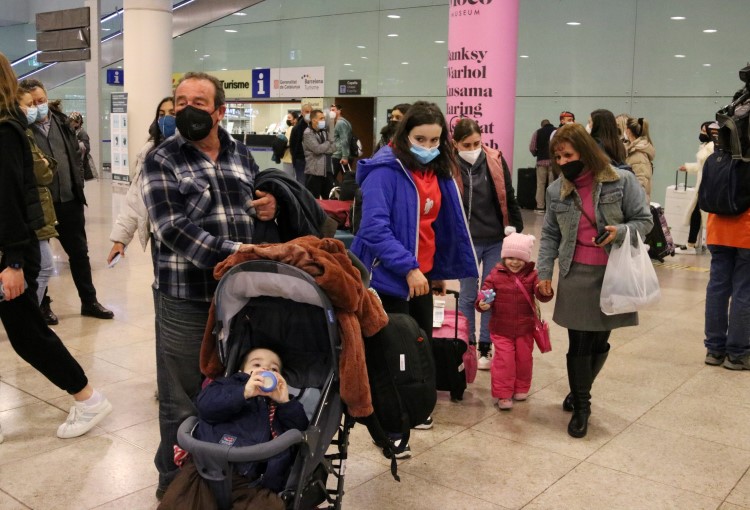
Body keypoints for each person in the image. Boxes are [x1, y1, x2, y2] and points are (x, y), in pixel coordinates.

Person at [141, 71, 278, 498]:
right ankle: (172, 482)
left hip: (237, 297)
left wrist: (270, 207)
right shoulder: (161, 159)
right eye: (180, 102)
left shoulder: (241, 155)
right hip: (185, 296)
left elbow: (255, 209)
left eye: (198, 102)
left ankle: (232, 471)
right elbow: (171, 229)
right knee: (180, 396)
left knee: (233, 384)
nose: (186, 110)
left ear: (219, 111)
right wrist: (237, 254)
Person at [351, 101, 478, 457]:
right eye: (420, 138)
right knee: (387, 360)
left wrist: (433, 272)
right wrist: (408, 266)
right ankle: (387, 429)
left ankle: (411, 408)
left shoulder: (437, 171)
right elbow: (373, 228)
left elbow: (436, 226)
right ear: (405, 135)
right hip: (388, 278)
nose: (427, 145)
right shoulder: (384, 171)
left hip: (420, 278)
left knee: (417, 350)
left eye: (435, 139)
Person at [0, 52, 112, 444]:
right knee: (25, 331)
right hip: (10, 249)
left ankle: (88, 398)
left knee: (27, 333)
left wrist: (13, 261)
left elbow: (11, 197)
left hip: (11, 252)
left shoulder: (6, 129)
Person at [537, 123, 652, 438]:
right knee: (579, 343)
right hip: (576, 274)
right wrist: (544, 274)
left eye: (568, 154)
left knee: (600, 341)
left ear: (585, 151)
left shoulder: (621, 180)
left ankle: (579, 389)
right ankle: (583, 407)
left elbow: (644, 221)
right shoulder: (556, 190)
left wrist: (620, 231)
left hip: (612, 274)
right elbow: (549, 235)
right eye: (557, 156)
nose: (562, 162)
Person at [158, 347, 307, 510]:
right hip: (204, 469)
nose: (265, 370)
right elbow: (205, 406)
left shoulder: (278, 405)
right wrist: (242, 393)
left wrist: (285, 402)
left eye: (274, 369)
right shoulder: (225, 386)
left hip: (252, 483)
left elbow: (300, 430)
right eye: (256, 364)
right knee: (179, 501)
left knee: (269, 505)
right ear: (241, 370)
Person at [18, 78, 114, 321]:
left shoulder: (63, 122)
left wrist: (77, 182)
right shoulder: (20, 128)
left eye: (42, 100)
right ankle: (44, 305)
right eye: (32, 103)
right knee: (41, 258)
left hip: (69, 198)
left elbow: (75, 157)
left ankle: (89, 301)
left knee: (79, 253)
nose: (38, 106)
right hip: (39, 203)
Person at [452, 117, 524, 370]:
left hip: (495, 237)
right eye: (467, 144)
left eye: (477, 143)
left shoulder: (494, 159)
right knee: (468, 294)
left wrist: (516, 230)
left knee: (490, 293)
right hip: (466, 241)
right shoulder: (449, 164)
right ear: (455, 143)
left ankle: (485, 346)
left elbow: (508, 195)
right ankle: (467, 344)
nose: (473, 148)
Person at [475, 233, 553, 410]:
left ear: (526, 259)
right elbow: (485, 294)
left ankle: (521, 388)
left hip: (525, 329)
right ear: (503, 257)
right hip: (501, 329)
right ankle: (503, 394)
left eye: (519, 258)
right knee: (505, 362)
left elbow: (540, 293)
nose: (514, 262)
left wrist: (544, 292)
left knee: (524, 360)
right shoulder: (495, 275)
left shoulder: (533, 276)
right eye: (510, 257)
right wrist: (482, 303)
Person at [107, 96, 175, 265]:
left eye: (173, 113)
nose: (166, 118)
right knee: (162, 283)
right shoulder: (149, 152)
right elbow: (135, 198)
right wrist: (120, 240)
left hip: (188, 232)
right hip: (158, 232)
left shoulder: (194, 150)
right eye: (162, 114)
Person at [17, 88, 59, 311]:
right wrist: (45, 163)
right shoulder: (19, 133)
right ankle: (29, 315)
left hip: (39, 209)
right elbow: (41, 172)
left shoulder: (27, 132)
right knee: (43, 266)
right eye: (29, 104)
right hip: (31, 213)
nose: (34, 108)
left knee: (37, 267)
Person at [702, 180, 750, 370]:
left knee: (717, 288)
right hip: (746, 232)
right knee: (744, 290)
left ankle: (714, 350)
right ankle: (737, 354)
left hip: (717, 228)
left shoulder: (720, 154)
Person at [676, 121, 717, 255]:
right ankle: (692, 244)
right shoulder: (706, 146)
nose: (701, 133)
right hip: (703, 186)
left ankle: (698, 244)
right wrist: (688, 167)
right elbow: (701, 167)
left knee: (703, 216)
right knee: (697, 215)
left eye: (704, 131)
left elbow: (711, 168)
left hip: (707, 186)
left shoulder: (711, 148)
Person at [302, 108, 335, 199]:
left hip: (327, 170)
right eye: (321, 118)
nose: (323, 120)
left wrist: (325, 147)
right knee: (313, 200)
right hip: (314, 172)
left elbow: (334, 148)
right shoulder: (308, 133)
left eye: (324, 118)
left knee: (329, 199)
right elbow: (317, 149)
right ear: (314, 120)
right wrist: (328, 142)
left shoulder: (324, 131)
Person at [624, 116, 655, 202]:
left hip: (636, 206)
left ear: (628, 131)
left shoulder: (638, 154)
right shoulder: (631, 150)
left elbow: (640, 183)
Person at [529, 119, 556, 213]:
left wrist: (537, 153)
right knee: (552, 185)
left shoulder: (537, 132)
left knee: (540, 184)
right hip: (554, 162)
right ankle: (551, 207)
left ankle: (540, 207)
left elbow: (532, 147)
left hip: (541, 162)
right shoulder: (556, 131)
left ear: (542, 125)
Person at [289, 103, 311, 184]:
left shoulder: (313, 125)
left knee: (310, 183)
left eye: (310, 112)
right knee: (302, 182)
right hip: (301, 159)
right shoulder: (298, 127)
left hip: (311, 160)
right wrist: (295, 158)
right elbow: (293, 145)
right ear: (302, 112)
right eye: (307, 111)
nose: (309, 114)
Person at [331, 103, 353, 182]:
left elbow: (344, 139)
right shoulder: (341, 122)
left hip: (339, 155)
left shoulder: (340, 123)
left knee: (332, 177)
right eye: (331, 110)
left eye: (333, 110)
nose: (331, 112)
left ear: (339, 111)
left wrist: (344, 156)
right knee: (346, 177)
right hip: (341, 154)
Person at [280, 110, 297, 179]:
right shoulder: (291, 129)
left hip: (289, 158)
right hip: (291, 158)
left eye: (289, 118)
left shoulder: (291, 128)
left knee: (289, 178)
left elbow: (288, 143)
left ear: (295, 119)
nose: (288, 120)